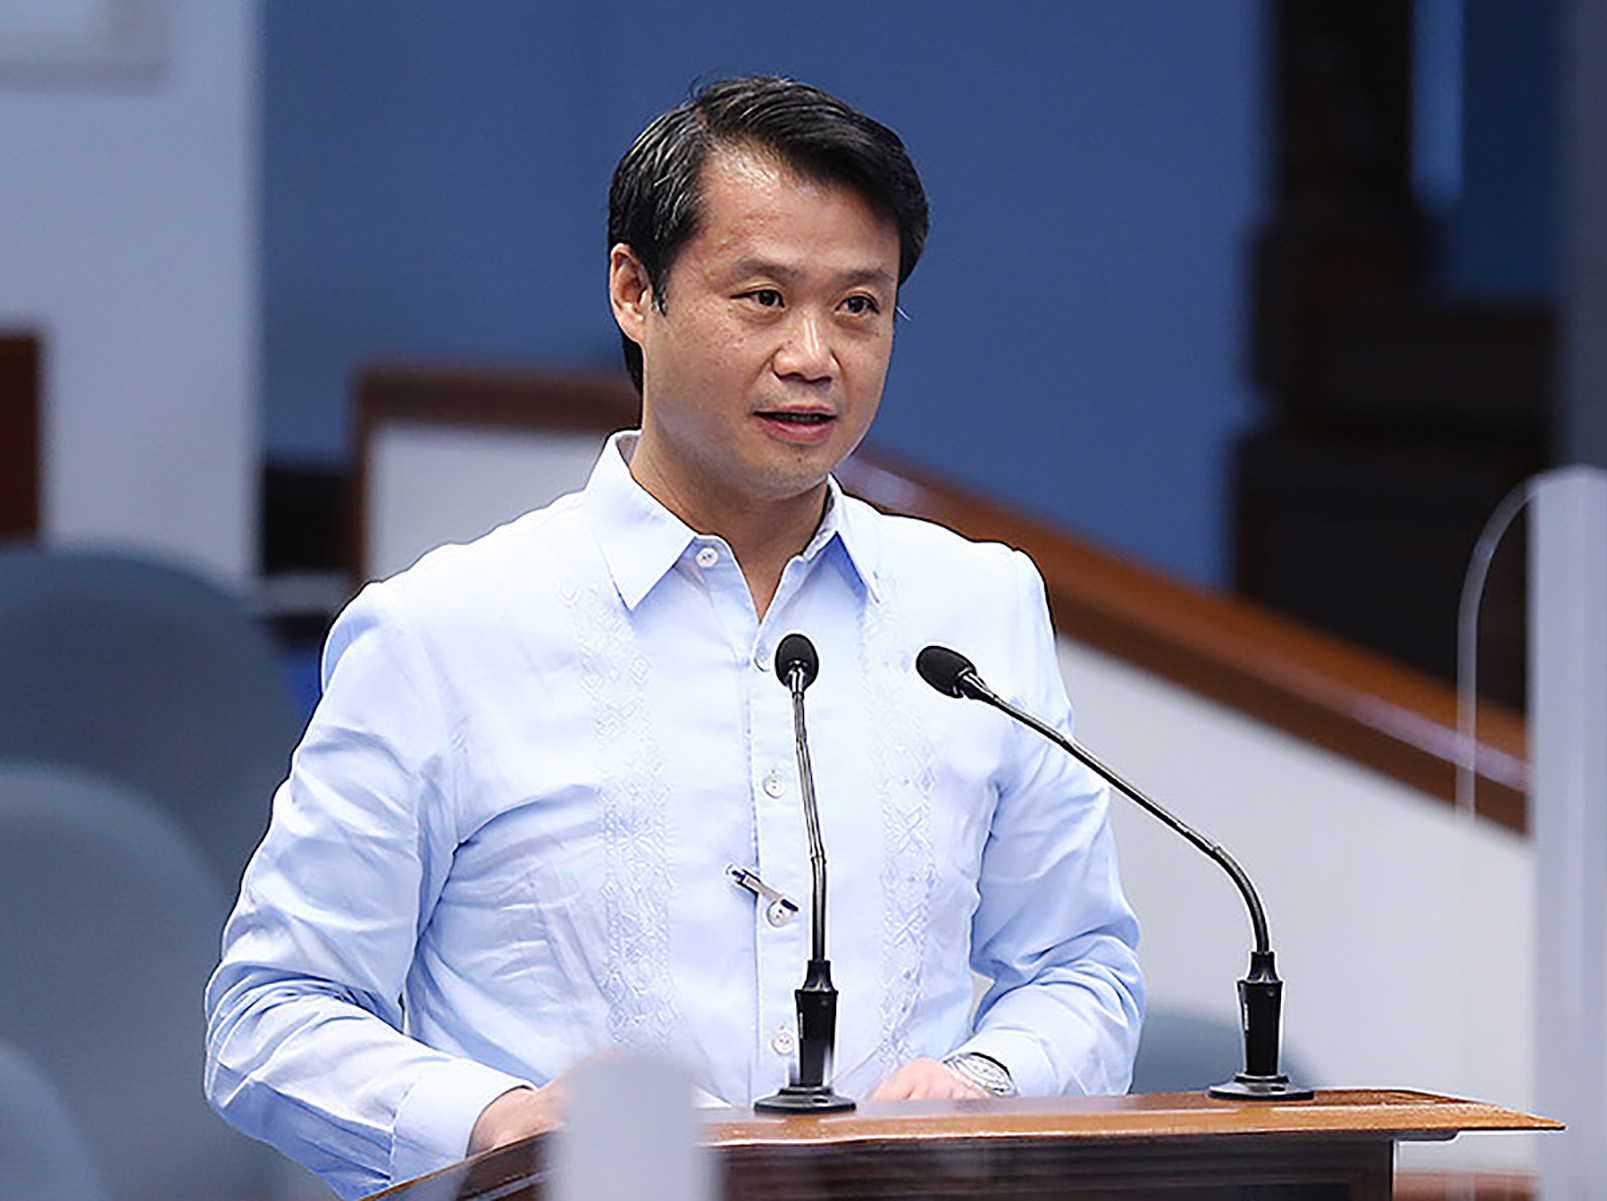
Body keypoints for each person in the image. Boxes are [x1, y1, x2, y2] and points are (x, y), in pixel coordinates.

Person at [205, 75, 1142, 1199]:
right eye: (763, 298)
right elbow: (270, 1014)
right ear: (633, 291)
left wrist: (988, 1081)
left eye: (860, 305)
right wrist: (504, 1122)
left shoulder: (975, 609)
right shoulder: (444, 631)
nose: (815, 355)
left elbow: (1082, 966)